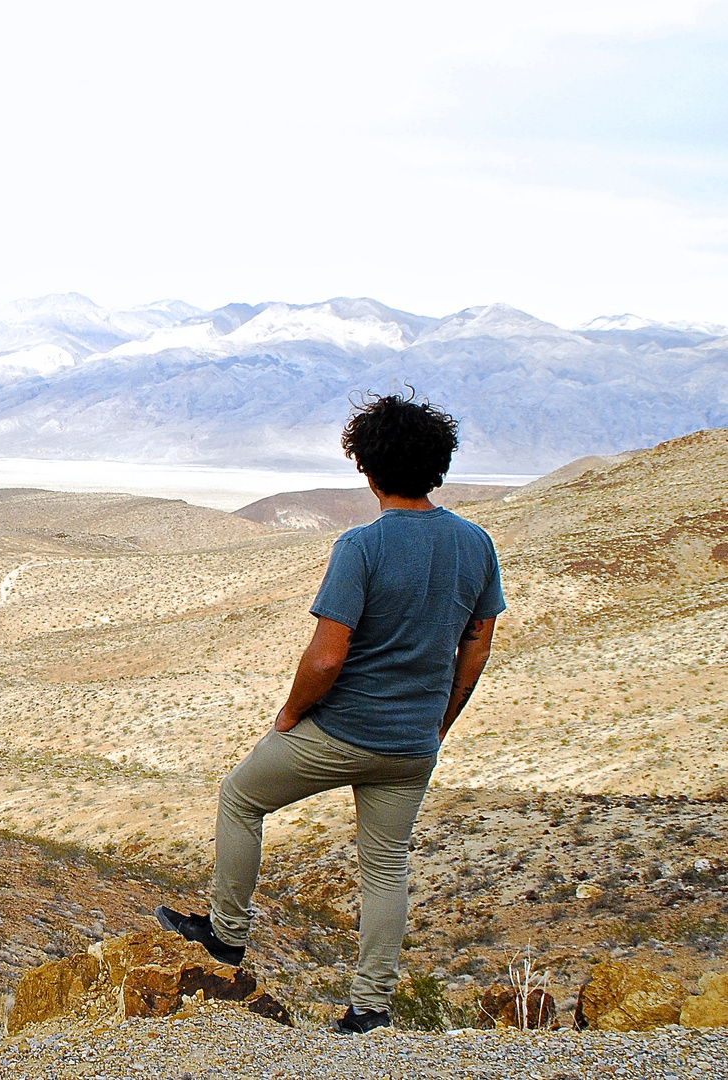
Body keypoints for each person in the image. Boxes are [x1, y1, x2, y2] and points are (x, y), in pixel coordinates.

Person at [155, 393, 505, 1035]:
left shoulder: (362, 547)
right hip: (411, 744)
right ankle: (370, 1007)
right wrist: (440, 722)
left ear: (366, 468)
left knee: (240, 798)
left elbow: (325, 659)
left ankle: (226, 935)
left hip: (340, 731)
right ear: (440, 465)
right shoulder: (476, 545)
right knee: (386, 867)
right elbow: (476, 645)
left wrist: (289, 714)